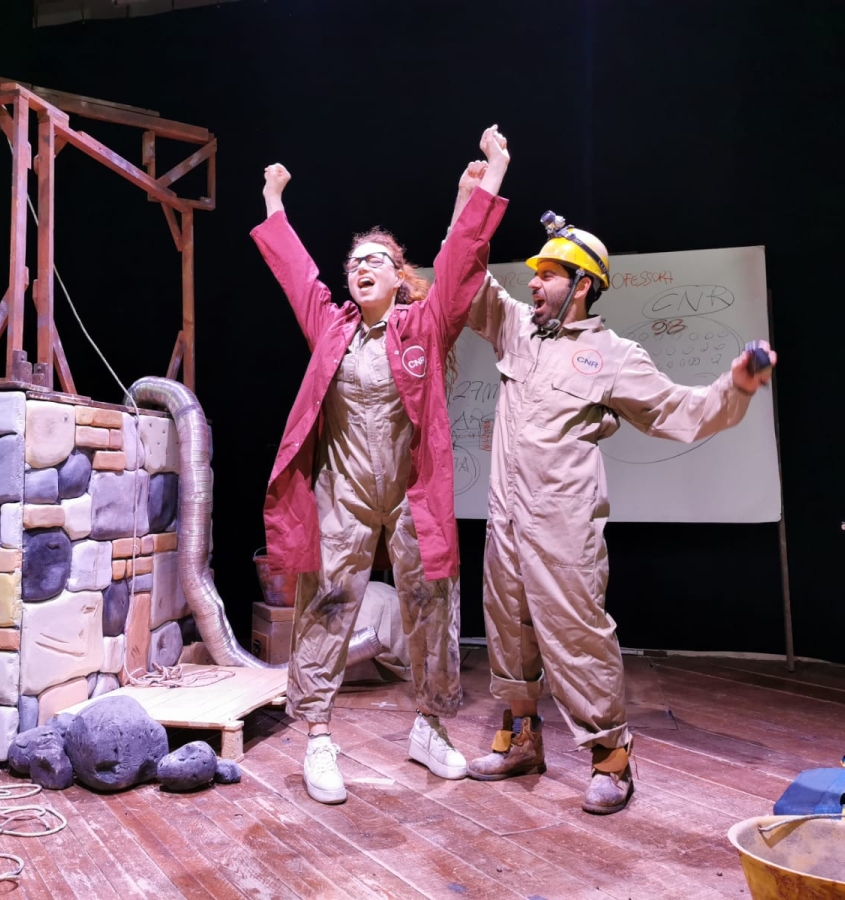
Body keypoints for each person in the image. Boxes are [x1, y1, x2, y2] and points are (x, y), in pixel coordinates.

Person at [448, 179, 776, 815]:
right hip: (506, 518)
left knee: (577, 636)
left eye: (547, 275)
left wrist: (735, 386)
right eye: (535, 274)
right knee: (508, 630)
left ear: (581, 284)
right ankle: (521, 741)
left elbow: (681, 413)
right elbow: (465, 274)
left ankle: (611, 757)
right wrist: (476, 196)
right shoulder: (515, 330)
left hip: (564, 523)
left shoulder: (614, 356)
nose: (532, 284)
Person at [251, 126, 510, 805]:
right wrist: (274, 200)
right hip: (343, 492)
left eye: (375, 260)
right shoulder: (330, 328)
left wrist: (492, 175)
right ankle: (316, 735)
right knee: (326, 602)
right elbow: (295, 273)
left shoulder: (423, 324)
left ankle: (430, 726)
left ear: (399, 276)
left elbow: (461, 258)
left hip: (412, 491)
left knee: (431, 602)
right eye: (354, 262)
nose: (360, 267)